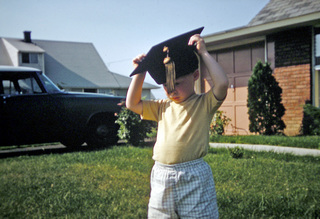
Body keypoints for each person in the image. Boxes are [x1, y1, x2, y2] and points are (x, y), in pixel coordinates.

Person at [126, 27, 228, 218]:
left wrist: (203, 52)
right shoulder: (162, 107)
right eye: (166, 86)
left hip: (193, 177)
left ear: (195, 75)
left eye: (177, 83)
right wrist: (140, 72)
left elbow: (221, 84)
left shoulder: (203, 104)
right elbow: (132, 104)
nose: (171, 91)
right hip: (161, 176)